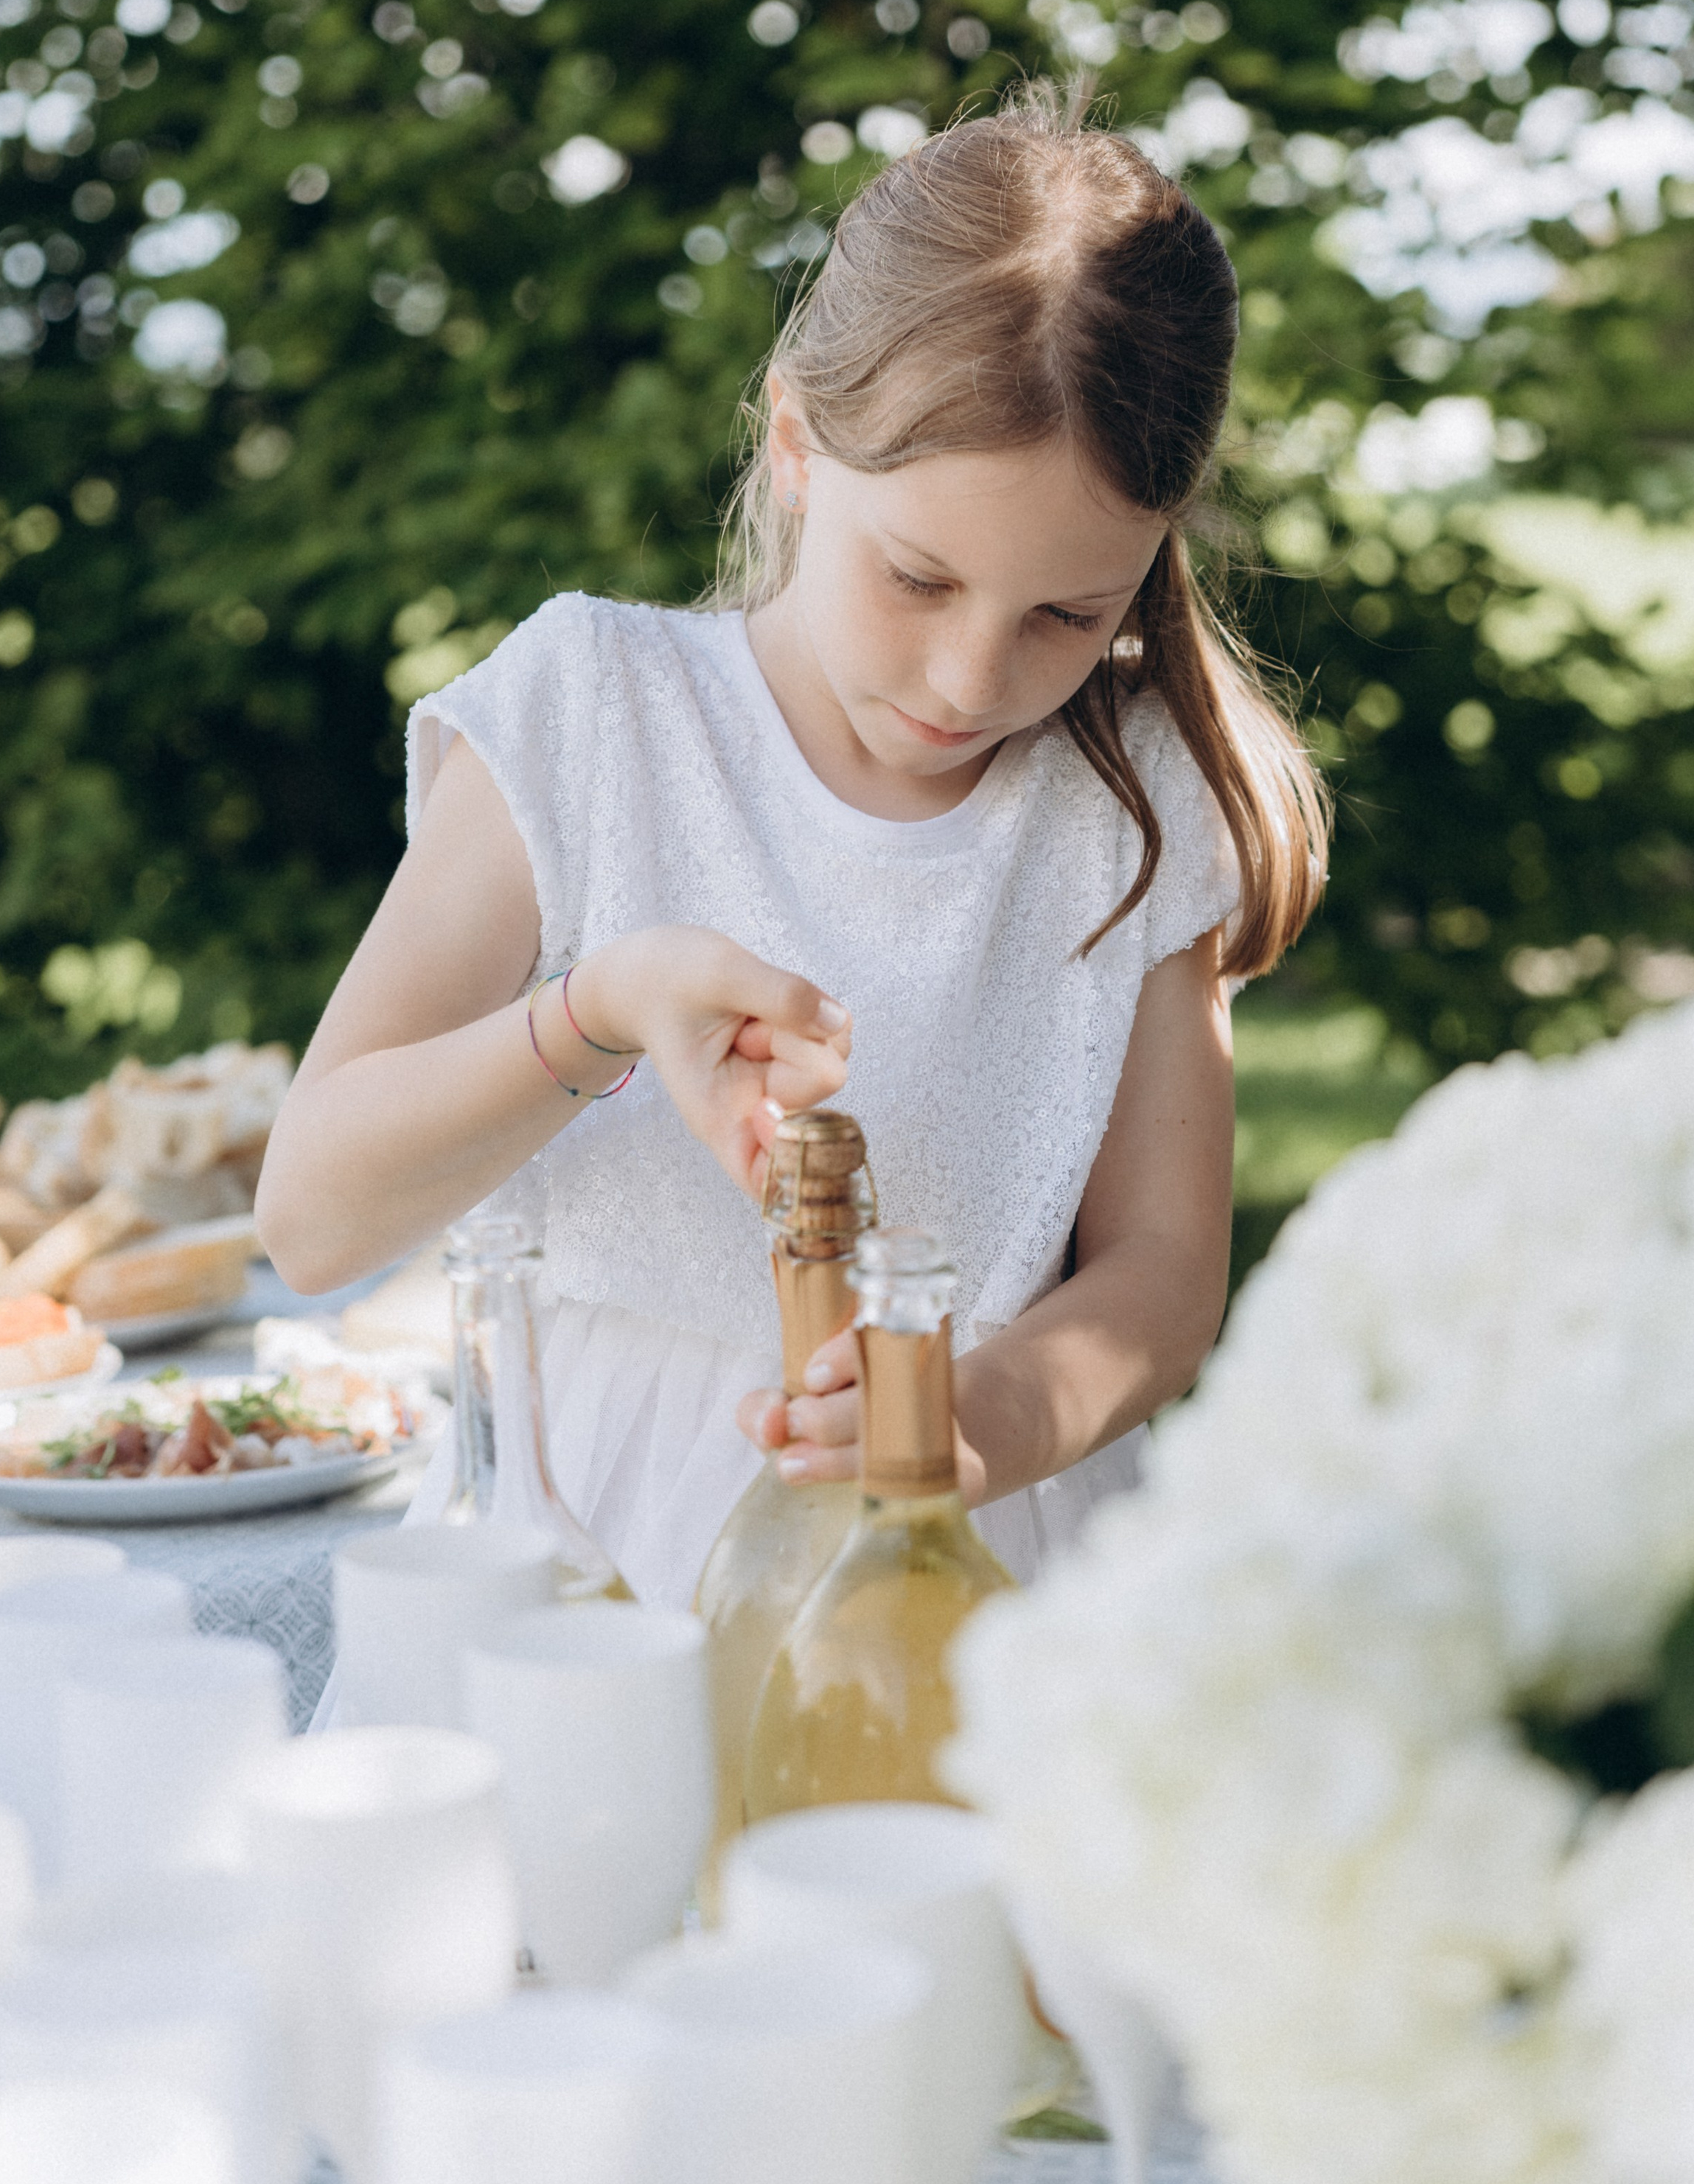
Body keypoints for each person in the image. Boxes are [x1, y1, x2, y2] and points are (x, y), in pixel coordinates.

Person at [258, 86, 1329, 1605]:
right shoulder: (590, 715)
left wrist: (990, 1414)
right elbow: (310, 1218)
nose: (971, 681)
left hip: (978, 1561)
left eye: (1067, 616)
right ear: (794, 445)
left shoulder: (1130, 803)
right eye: (916, 578)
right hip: (589, 1557)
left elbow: (1159, 1279)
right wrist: (597, 1010)